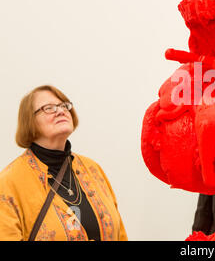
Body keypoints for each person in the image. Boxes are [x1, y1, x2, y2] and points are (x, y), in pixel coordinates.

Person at [0, 85, 127, 241]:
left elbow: (120, 233)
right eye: (49, 108)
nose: (61, 111)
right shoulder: (9, 182)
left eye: (64, 106)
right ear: (29, 121)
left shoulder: (92, 169)